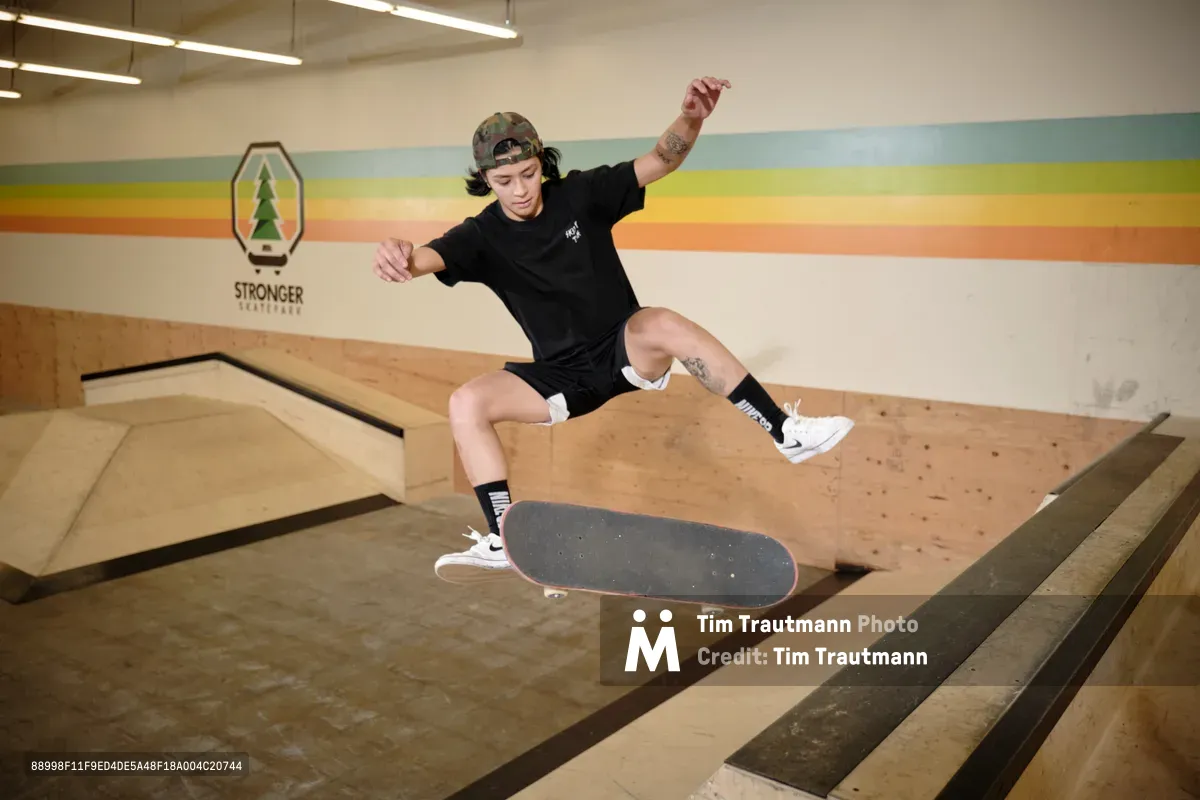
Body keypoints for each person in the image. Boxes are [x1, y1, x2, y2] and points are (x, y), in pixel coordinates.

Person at [372, 76, 854, 582]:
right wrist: (397, 252)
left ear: (542, 162)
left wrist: (691, 117)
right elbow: (418, 260)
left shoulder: (582, 194)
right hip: (559, 379)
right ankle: (500, 536)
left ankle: (784, 431)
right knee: (465, 402)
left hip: (624, 351)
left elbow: (661, 160)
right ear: (486, 179)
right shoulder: (480, 235)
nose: (519, 190)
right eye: (504, 181)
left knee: (661, 321)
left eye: (529, 174)